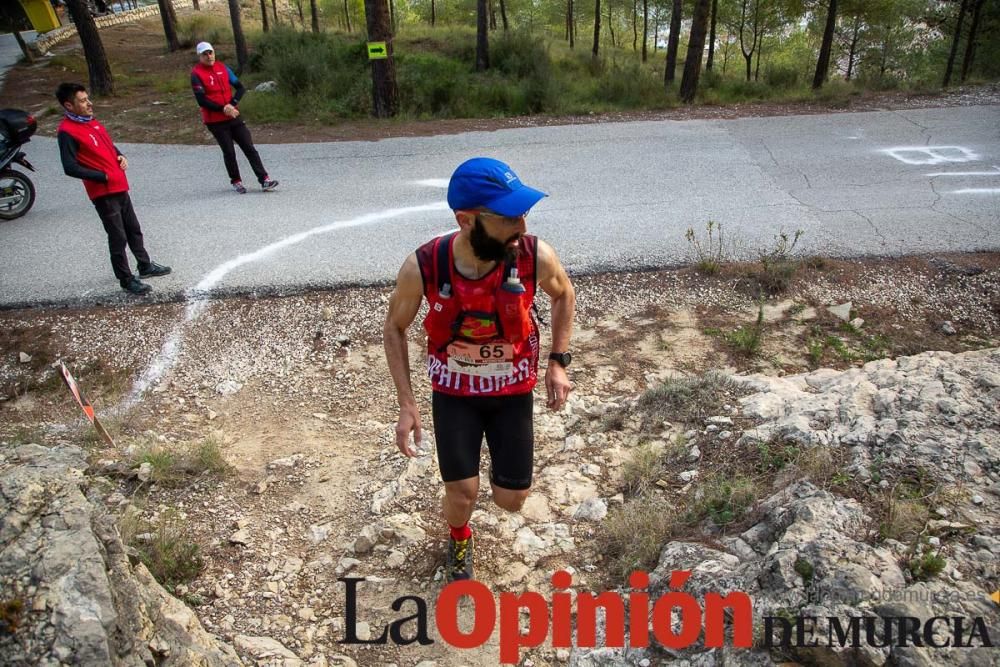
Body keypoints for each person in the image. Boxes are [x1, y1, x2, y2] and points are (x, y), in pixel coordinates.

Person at [383, 157, 576, 583]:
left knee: (511, 500)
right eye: (509, 218)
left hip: (512, 393)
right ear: (466, 220)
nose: (522, 228)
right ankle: (458, 535)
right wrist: (407, 402)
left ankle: (490, 465)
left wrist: (558, 361)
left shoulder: (533, 256)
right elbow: (395, 328)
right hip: (454, 395)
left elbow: (564, 294)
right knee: (462, 492)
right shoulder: (425, 267)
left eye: (524, 214)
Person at [56, 82, 171, 296]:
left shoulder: (92, 123)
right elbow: (69, 167)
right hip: (103, 193)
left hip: (119, 186)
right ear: (68, 105)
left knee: (133, 229)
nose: (89, 103)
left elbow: (109, 146)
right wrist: (102, 176)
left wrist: (121, 155)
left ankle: (144, 265)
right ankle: (126, 279)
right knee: (117, 236)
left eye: (87, 98)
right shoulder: (67, 131)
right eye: (82, 100)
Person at [190, 42, 279, 194]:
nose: (209, 56)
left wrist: (231, 104)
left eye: (210, 52)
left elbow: (240, 87)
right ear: (200, 56)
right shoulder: (196, 74)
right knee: (229, 151)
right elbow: (202, 100)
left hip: (233, 115)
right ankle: (236, 181)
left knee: (249, 147)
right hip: (215, 120)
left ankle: (264, 179)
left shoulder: (222, 68)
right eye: (205, 54)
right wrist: (223, 108)